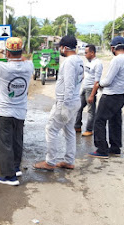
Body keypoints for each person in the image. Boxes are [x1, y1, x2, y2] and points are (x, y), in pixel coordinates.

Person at [0, 37, 34, 186]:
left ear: (7, 52)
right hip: (20, 111)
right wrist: (17, 55)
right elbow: (23, 59)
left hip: (5, 111)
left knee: (4, 143)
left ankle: (9, 176)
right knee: (17, 140)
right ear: (22, 51)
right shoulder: (29, 66)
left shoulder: (2, 67)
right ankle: (15, 167)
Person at [34, 36, 84, 170]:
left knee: (51, 129)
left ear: (65, 48)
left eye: (60, 47)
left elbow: (68, 85)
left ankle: (50, 162)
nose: (59, 49)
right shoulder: (79, 60)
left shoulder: (69, 62)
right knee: (69, 131)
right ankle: (69, 160)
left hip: (66, 102)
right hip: (75, 101)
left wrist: (64, 106)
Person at [88, 36, 124, 159]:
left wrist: (99, 84)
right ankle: (115, 148)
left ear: (113, 48)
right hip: (120, 95)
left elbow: (108, 80)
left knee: (99, 121)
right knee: (115, 122)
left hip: (110, 96)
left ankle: (102, 149)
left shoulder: (117, 60)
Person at [74, 44, 103, 136]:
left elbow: (97, 81)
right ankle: (77, 126)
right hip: (84, 88)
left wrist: (92, 95)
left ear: (92, 53)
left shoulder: (98, 63)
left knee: (91, 111)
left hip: (91, 89)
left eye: (86, 53)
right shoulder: (88, 62)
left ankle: (89, 130)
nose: (85, 54)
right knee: (78, 107)